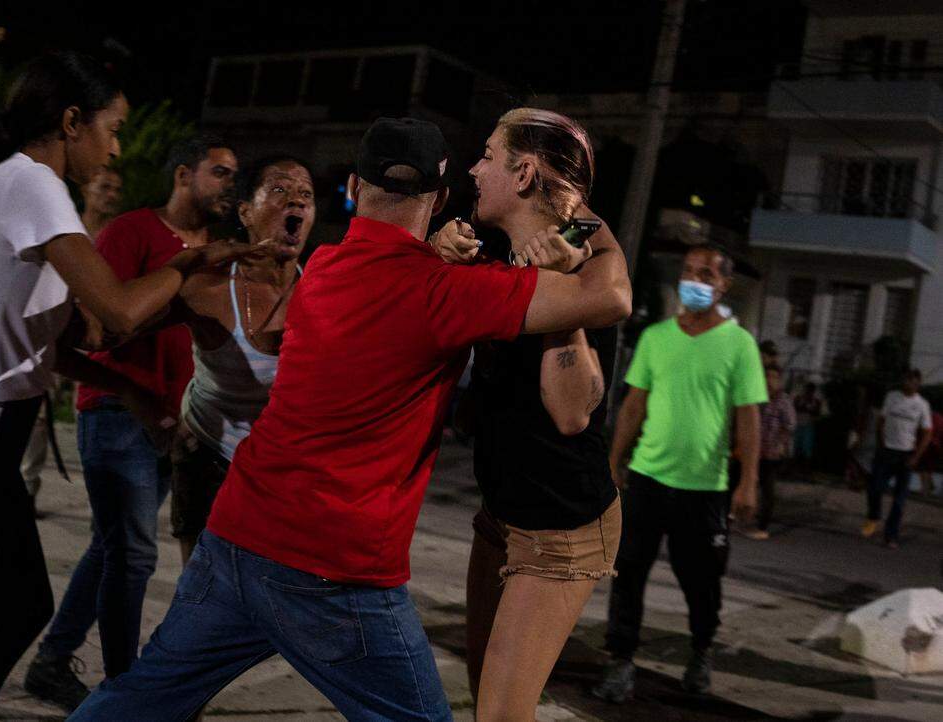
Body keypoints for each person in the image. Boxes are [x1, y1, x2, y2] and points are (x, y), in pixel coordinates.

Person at [69, 116, 631, 722]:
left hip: (236, 539)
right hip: (335, 571)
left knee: (137, 700)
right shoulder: (447, 291)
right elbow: (609, 296)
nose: (476, 169)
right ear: (438, 200)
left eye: (488, 156)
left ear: (354, 192)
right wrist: (583, 219)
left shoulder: (324, 273)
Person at [0, 52, 274, 722]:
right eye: (110, 129)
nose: (113, 147)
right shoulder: (33, 182)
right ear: (70, 121)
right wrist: (191, 262)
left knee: (22, 601)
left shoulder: (22, 190)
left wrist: (177, 322)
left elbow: (76, 337)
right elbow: (115, 310)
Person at [24, 136, 240, 710]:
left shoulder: (220, 251)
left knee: (112, 548)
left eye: (233, 175)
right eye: (218, 173)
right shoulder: (133, 233)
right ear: (183, 174)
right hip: (119, 412)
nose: (228, 184)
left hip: (179, 421)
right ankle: (127, 693)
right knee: (135, 554)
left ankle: (52, 660)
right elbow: (98, 322)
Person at [429, 108, 627, 720]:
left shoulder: (585, 272)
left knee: (501, 713)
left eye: (488, 154)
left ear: (524, 173)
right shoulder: (493, 248)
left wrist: (560, 290)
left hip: (559, 529)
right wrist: (437, 253)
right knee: (484, 684)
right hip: (503, 514)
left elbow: (570, 416)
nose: (473, 167)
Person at [592, 244, 767, 703]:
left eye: (706, 274)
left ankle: (701, 652)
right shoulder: (656, 337)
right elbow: (634, 406)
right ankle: (620, 660)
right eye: (689, 272)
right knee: (628, 573)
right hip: (648, 479)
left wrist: (748, 483)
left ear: (724, 284)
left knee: (702, 583)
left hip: (705, 489)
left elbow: (749, 418)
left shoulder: (740, 344)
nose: (695, 280)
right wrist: (615, 461)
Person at [170, 155, 314, 561]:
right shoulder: (210, 287)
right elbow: (121, 327)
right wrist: (145, 403)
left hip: (275, 472)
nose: (297, 203)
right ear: (247, 213)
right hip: (207, 455)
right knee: (201, 597)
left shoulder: (322, 294)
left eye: (306, 195)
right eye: (281, 191)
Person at [21, 168, 123, 515]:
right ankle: (26, 486)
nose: (111, 194)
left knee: (93, 406)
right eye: (105, 186)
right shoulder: (68, 231)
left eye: (116, 189)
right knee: (37, 412)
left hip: (97, 340)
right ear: (87, 190)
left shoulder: (118, 238)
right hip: (56, 331)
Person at [862, 369, 933, 548]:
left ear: (918, 384)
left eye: (912, 381)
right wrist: (881, 442)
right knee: (874, 488)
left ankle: (891, 536)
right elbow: (881, 420)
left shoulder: (922, 405)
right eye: (906, 379)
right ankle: (874, 516)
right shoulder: (892, 396)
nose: (908, 383)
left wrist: (916, 456)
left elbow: (927, 433)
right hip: (887, 451)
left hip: (906, 454)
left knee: (899, 500)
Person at [745, 363, 795, 540]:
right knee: (749, 483)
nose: (769, 381)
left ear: (779, 381)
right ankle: (744, 518)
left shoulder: (783, 401)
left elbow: (789, 426)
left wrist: (779, 446)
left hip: (772, 453)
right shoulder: (760, 398)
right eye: (766, 376)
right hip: (756, 450)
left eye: (773, 377)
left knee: (767, 489)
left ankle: (762, 527)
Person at [792, 381, 823, 477]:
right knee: (795, 448)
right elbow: (794, 408)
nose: (809, 392)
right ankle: (792, 470)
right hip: (798, 425)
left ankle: (805, 471)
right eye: (808, 390)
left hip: (808, 426)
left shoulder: (816, 401)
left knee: (807, 450)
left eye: (811, 390)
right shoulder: (799, 398)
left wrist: (807, 409)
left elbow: (817, 413)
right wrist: (805, 407)